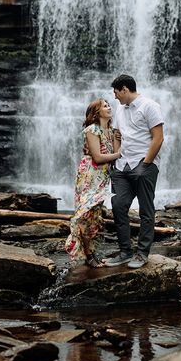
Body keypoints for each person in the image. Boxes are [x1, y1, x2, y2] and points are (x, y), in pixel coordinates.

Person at [106, 74, 164, 269]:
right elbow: (116, 134)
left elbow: (158, 138)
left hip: (143, 164)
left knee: (146, 210)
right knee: (118, 204)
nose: (114, 97)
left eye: (116, 92)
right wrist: (115, 158)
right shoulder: (120, 108)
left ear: (124, 89)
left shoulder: (150, 106)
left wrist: (146, 164)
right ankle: (125, 251)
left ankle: (142, 253)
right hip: (122, 166)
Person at [65, 99, 121, 268]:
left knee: (94, 215)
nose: (109, 107)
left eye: (108, 105)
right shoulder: (92, 129)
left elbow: (116, 152)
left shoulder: (111, 130)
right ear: (96, 112)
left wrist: (118, 140)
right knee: (85, 212)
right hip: (89, 175)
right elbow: (98, 157)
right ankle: (88, 254)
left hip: (102, 176)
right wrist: (119, 154)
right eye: (105, 106)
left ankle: (90, 253)